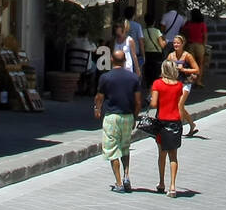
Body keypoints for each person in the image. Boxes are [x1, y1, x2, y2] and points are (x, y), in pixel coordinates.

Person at [95, 48, 141, 192]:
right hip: (128, 116)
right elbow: (138, 101)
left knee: (112, 149)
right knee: (125, 147)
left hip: (112, 117)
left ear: (112, 60)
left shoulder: (105, 77)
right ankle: (127, 175)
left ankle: (119, 182)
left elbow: (99, 97)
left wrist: (97, 109)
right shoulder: (134, 78)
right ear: (125, 61)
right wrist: (135, 117)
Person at [150, 57, 185, 196]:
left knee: (161, 154)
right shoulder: (179, 86)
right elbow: (178, 103)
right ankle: (173, 186)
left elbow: (153, 104)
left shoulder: (157, 84)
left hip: (161, 121)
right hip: (175, 121)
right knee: (173, 156)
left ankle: (161, 182)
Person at [169, 34, 201, 135]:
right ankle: (192, 124)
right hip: (175, 83)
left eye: (178, 43)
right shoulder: (171, 55)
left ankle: (178, 129)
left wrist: (183, 69)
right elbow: (166, 68)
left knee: (179, 104)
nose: (176, 44)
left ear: (183, 44)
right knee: (180, 106)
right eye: (174, 43)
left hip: (185, 83)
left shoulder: (187, 55)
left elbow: (197, 70)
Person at [67, 29, 97, 94]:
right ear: (86, 35)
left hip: (72, 66)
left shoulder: (73, 41)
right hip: (84, 68)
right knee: (95, 67)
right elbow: (95, 49)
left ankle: (81, 86)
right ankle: (90, 89)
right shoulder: (88, 42)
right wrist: (91, 41)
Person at [185, 8, 208, 84]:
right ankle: (199, 81)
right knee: (200, 64)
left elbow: (184, 32)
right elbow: (205, 36)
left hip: (190, 45)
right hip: (200, 45)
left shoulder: (188, 24)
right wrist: (204, 46)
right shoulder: (202, 24)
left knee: (192, 64)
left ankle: (192, 80)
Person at [141, 14, 164, 89]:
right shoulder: (157, 31)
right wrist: (165, 42)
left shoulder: (143, 32)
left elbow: (142, 44)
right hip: (156, 53)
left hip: (147, 53)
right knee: (156, 70)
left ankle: (149, 83)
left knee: (148, 69)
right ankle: (155, 85)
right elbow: (162, 45)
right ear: (154, 22)